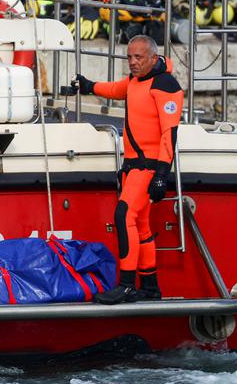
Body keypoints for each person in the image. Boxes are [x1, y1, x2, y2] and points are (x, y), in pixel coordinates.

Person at [74, 35, 183, 305]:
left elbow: (170, 133)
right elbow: (114, 89)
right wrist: (88, 85)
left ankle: (126, 285)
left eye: (139, 57)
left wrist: (161, 174)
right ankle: (149, 286)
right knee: (142, 226)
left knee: (124, 215)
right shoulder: (136, 81)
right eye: (130, 57)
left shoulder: (165, 85)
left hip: (148, 166)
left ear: (154, 58)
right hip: (132, 165)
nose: (133, 62)